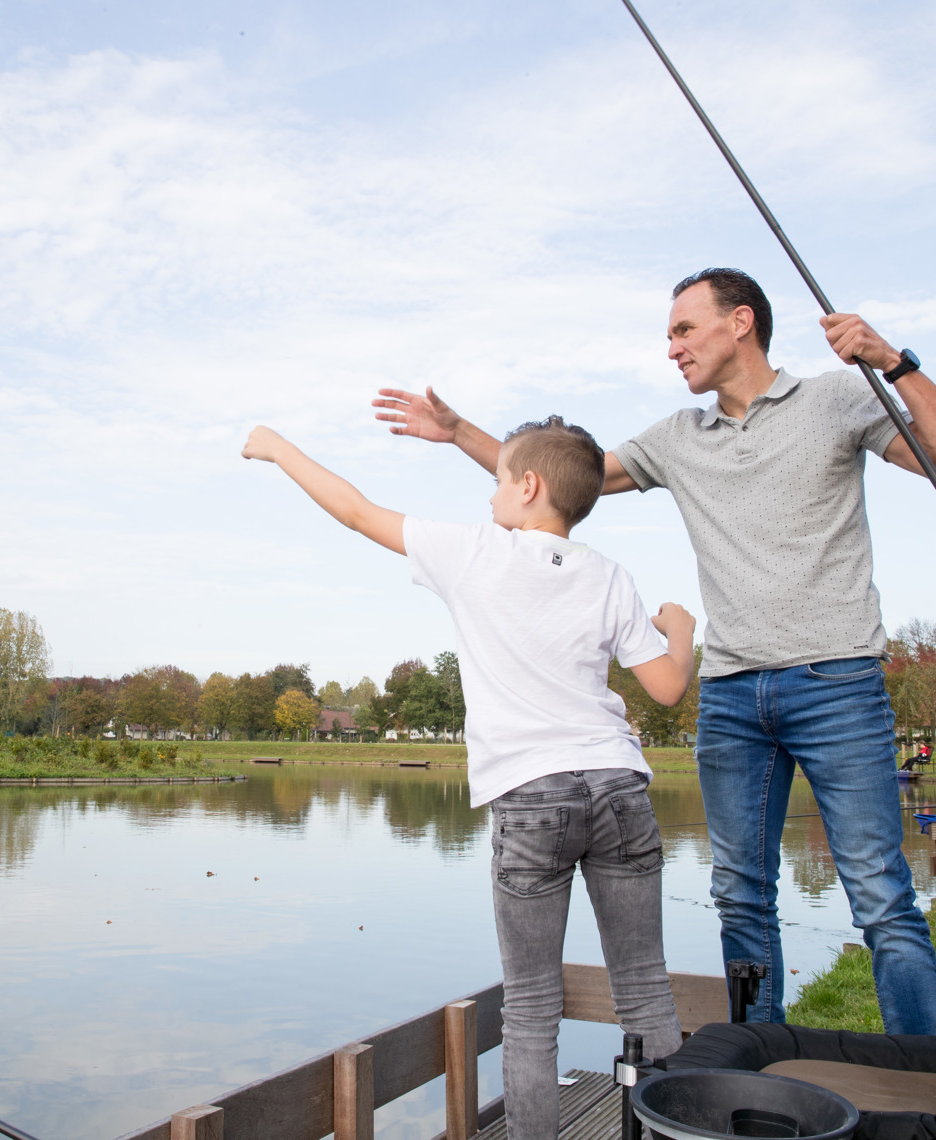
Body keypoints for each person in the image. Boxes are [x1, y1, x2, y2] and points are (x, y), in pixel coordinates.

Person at [372, 267, 936, 1035]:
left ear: (741, 322)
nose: (671, 347)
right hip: (733, 693)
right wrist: (459, 433)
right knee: (741, 894)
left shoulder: (839, 399)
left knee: (879, 893)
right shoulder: (679, 437)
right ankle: (758, 1073)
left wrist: (895, 365)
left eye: (682, 329)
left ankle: (916, 1088)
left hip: (835, 679)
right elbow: (560, 484)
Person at [243, 416, 694, 1137]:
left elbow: (358, 512)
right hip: (618, 786)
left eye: (495, 480)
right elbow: (668, 687)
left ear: (528, 486)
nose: (489, 497)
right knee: (644, 992)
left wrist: (279, 448)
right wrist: (681, 631)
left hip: (533, 798)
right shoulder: (609, 575)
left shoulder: (476, 552)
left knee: (530, 1007)